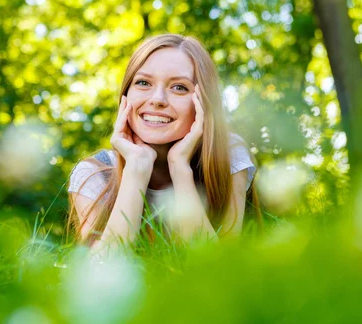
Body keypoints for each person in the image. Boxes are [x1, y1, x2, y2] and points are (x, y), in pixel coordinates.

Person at [66, 34, 262, 253]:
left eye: (179, 87)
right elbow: (99, 275)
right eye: (143, 83)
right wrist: (135, 170)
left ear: (203, 102)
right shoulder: (95, 173)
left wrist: (180, 167)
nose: (157, 99)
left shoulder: (227, 156)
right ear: (125, 96)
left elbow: (218, 270)